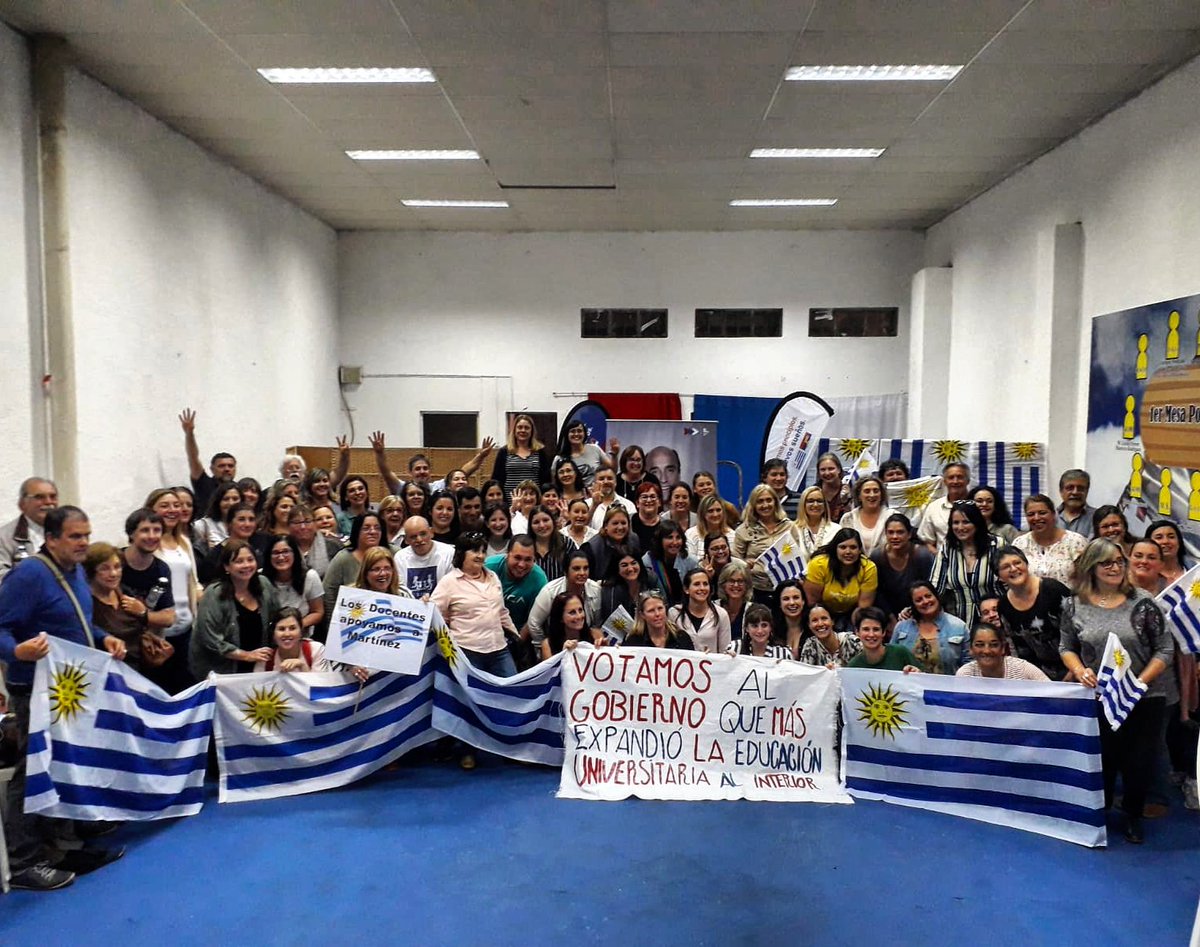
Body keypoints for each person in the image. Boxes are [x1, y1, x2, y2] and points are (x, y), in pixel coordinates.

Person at [0, 506, 127, 890]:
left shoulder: (73, 570)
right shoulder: (30, 574)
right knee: (32, 772)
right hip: (34, 690)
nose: (84, 542)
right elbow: (1, 627)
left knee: (63, 764)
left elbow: (70, 620)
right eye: (75, 536)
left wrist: (103, 637)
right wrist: (16, 651)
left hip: (68, 687)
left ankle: (62, 845)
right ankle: (23, 862)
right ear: (51, 538)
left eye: (87, 534)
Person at [1060, 538, 1173, 843]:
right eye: (1106, 562)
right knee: (1103, 758)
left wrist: (1140, 683)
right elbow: (1066, 646)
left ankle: (1133, 815)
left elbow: (1164, 648)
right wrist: (1080, 669)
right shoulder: (1073, 604)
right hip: (1100, 695)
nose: (1115, 568)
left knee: (1139, 760)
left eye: (1119, 561)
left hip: (1144, 696)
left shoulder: (1143, 601)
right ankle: (1102, 810)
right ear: (1091, 567)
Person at [431, 533, 521, 771]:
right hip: (467, 652)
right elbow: (436, 616)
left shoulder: (492, 577)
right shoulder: (449, 582)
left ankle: (509, 747)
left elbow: (501, 612)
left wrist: (516, 635)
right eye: (475, 551)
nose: (481, 556)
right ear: (462, 555)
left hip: (499, 648)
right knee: (468, 701)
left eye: (483, 550)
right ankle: (467, 751)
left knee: (510, 695)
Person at [190, 539, 277, 677]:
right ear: (226, 567)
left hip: (258, 666)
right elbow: (211, 640)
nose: (246, 565)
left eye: (250, 559)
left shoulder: (264, 585)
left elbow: (277, 619)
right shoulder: (214, 594)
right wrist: (246, 656)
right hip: (221, 669)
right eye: (239, 561)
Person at [145, 488, 202, 694]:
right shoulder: (148, 543)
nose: (172, 510)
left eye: (176, 506)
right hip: (159, 634)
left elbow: (193, 583)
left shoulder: (184, 543)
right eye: (165, 506)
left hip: (186, 631)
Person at [995, 545, 1072, 681]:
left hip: (1075, 670)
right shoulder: (1004, 606)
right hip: (1036, 677)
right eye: (1006, 567)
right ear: (999, 576)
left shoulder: (1053, 590)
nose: (1013, 569)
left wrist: (1073, 671)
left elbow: (1079, 632)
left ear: (1026, 564)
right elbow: (1015, 647)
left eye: (1017, 563)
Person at [86, 541, 163, 673]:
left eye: (117, 567)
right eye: (105, 568)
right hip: (109, 674)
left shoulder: (124, 593)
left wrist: (143, 612)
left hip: (139, 669)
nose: (114, 573)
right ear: (91, 572)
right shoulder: (88, 603)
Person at [929, 499, 1001, 627]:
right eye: (956, 523)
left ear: (977, 523)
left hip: (996, 621)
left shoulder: (997, 545)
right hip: (961, 624)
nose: (960, 527)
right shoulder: (948, 548)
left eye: (966, 522)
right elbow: (935, 588)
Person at [321, 513, 386, 639]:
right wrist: (333, 627)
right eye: (366, 528)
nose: (372, 532)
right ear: (357, 531)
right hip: (351, 631)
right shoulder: (343, 558)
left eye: (377, 528)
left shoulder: (395, 553)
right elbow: (329, 594)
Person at [733, 484, 800, 605]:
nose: (765, 505)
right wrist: (745, 563)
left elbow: (796, 555)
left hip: (784, 589)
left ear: (775, 502)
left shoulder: (789, 526)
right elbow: (735, 560)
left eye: (769, 500)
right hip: (754, 590)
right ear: (753, 505)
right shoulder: (743, 529)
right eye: (760, 501)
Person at [118, 510, 176, 646]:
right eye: (145, 530)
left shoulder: (162, 570)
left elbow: (168, 618)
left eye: (157, 530)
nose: (151, 536)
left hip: (144, 646)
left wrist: (142, 613)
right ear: (131, 533)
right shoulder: (114, 561)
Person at [803, 527, 878, 630]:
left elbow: (862, 608)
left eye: (853, 547)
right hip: (821, 611)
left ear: (860, 550)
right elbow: (812, 602)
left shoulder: (868, 568)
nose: (848, 552)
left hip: (852, 612)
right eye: (843, 547)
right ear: (835, 549)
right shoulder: (819, 564)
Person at [526, 550, 601, 652]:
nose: (582, 573)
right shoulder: (550, 591)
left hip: (585, 645)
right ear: (566, 571)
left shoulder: (596, 589)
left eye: (586, 568)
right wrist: (543, 646)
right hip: (556, 644)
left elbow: (596, 623)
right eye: (576, 569)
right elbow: (534, 623)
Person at [891, 580, 970, 674]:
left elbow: (969, 664)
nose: (925, 601)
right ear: (913, 605)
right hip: (909, 687)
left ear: (936, 596)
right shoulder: (902, 627)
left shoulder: (958, 626)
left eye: (928, 596)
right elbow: (892, 660)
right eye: (918, 600)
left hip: (948, 686)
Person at [870, 513, 934, 627]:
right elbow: (877, 592)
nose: (895, 537)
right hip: (887, 615)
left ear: (909, 534)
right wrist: (891, 619)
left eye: (900, 532)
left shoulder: (922, 556)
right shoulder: (877, 556)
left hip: (919, 611)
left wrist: (911, 612)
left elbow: (930, 589)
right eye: (890, 532)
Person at [1013, 494, 1088, 585]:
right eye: (1031, 514)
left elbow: (1087, 580)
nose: (1036, 518)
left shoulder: (1076, 541)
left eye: (1042, 513)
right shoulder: (1019, 544)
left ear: (1053, 514)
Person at [0, 478, 60, 588]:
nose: (48, 502)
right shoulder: (4, 538)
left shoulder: (67, 533)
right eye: (39, 497)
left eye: (53, 496)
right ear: (22, 504)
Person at [485, 535, 548, 640]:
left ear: (534, 560)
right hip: (484, 629)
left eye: (528, 559)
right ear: (507, 555)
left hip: (518, 634)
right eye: (517, 558)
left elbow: (533, 620)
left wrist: (517, 643)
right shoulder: (488, 567)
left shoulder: (539, 579)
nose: (521, 565)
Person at [262, 535, 324, 635]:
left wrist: (294, 628)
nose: (281, 557)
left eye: (286, 552)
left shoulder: (310, 576)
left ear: (295, 553)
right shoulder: (261, 579)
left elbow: (318, 612)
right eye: (275, 553)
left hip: (301, 637)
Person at [179, 407, 235, 512]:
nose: (227, 469)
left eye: (230, 466)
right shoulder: (204, 483)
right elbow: (193, 457)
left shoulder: (238, 489)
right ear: (212, 469)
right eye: (221, 466)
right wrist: (189, 434)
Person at [253, 607, 340, 674]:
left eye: (292, 628)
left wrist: (302, 665)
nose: (287, 634)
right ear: (273, 633)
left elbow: (322, 689)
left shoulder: (316, 650)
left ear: (301, 631)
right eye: (281, 629)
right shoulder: (265, 659)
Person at [491, 413, 552, 503]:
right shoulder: (504, 452)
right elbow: (497, 479)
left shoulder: (539, 452)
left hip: (533, 502)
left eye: (526, 428)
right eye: (520, 427)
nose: (523, 430)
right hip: (509, 502)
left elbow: (546, 480)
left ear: (532, 431)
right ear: (514, 430)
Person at [668, 568, 730, 653]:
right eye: (697, 584)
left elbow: (725, 651)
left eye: (705, 584)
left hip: (711, 665)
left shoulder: (721, 614)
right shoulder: (674, 613)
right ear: (686, 589)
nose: (702, 588)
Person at [956, 623, 1049, 680]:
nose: (987, 651)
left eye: (994, 645)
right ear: (971, 649)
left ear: (1003, 648)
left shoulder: (1022, 669)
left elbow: (1051, 692)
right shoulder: (965, 675)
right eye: (980, 645)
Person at [393, 516, 454, 600]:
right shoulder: (399, 557)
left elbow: (452, 588)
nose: (419, 539)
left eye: (423, 534)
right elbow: (401, 590)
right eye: (413, 537)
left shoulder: (448, 553)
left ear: (431, 533)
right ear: (406, 540)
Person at [199, 502, 259, 585]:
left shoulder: (262, 545)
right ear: (228, 524)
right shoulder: (214, 557)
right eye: (241, 519)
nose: (247, 524)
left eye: (251, 519)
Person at [916, 462, 971, 550]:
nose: (955, 481)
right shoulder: (934, 508)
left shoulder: (978, 505)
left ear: (968, 481)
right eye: (951, 477)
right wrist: (940, 559)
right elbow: (927, 542)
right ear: (944, 481)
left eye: (960, 477)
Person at [642, 522, 698, 606]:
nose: (675, 542)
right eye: (670, 537)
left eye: (678, 537)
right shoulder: (648, 561)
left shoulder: (690, 561)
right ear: (660, 540)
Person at [846, 606, 919, 671]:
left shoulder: (900, 653)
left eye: (876, 629)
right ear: (857, 632)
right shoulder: (853, 666)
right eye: (866, 629)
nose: (871, 634)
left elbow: (925, 679)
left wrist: (917, 673)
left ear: (883, 632)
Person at [584, 505, 641, 581]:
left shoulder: (634, 539)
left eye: (623, 523)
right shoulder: (591, 548)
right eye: (615, 523)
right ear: (606, 526)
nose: (620, 527)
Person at [622, 590, 695, 650]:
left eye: (660, 608)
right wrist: (616, 653)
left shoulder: (681, 637)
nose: (657, 614)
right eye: (651, 611)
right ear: (642, 615)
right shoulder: (633, 642)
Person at [798, 602, 863, 668]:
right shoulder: (810, 645)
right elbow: (805, 674)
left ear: (832, 621)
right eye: (815, 620)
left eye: (824, 618)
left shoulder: (851, 641)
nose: (820, 624)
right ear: (809, 625)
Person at [554, 419, 614, 488]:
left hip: (596, 495)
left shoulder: (595, 449)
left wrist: (614, 456)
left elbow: (612, 470)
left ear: (585, 434)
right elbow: (555, 484)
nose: (576, 434)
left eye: (579, 431)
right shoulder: (559, 459)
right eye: (572, 431)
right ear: (567, 435)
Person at [597, 547, 647, 628]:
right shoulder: (611, 591)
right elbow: (614, 626)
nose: (630, 568)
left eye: (633, 563)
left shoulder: (650, 579)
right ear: (617, 569)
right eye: (624, 565)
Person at [839, 475, 888, 556]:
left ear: (881, 495)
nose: (872, 495)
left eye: (876, 491)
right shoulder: (848, 519)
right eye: (867, 491)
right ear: (859, 496)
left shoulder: (892, 517)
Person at [542, 592, 597, 659]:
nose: (579, 616)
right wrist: (563, 654)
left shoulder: (596, 635)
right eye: (572, 612)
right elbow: (551, 669)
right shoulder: (547, 645)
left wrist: (604, 648)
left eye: (580, 610)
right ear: (560, 617)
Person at [193, 482, 242, 553]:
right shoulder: (202, 525)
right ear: (218, 502)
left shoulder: (247, 524)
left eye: (235, 499)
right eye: (226, 499)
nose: (231, 503)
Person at [794, 486, 837, 565]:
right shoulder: (793, 529)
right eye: (810, 501)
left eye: (819, 501)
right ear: (803, 504)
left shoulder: (836, 529)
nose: (815, 505)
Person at [686, 494, 735, 561]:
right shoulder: (691, 534)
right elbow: (690, 562)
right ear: (703, 513)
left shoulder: (732, 534)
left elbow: (733, 562)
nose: (715, 514)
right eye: (710, 511)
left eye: (718, 510)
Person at [527, 504, 568, 581]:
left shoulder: (566, 543)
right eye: (536, 522)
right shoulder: (525, 546)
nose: (542, 525)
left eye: (546, 520)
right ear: (530, 526)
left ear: (553, 521)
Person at [717, 561, 751, 648]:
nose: (736, 585)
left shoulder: (753, 610)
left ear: (747, 585)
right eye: (731, 581)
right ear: (723, 584)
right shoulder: (713, 608)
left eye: (740, 581)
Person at [774, 579, 809, 659]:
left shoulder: (812, 629)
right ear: (779, 604)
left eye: (796, 597)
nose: (792, 603)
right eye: (786, 599)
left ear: (803, 601)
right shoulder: (772, 631)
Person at [814, 452, 852, 524]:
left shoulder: (850, 491)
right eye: (823, 469)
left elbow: (854, 517)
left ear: (839, 470)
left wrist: (847, 502)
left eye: (831, 469)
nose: (827, 473)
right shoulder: (813, 492)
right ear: (818, 472)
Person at [1056, 468, 1095, 537]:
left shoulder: (1097, 517)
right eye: (1070, 488)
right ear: (1061, 491)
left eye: (1080, 488)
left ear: (1087, 491)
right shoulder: (1050, 517)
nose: (1075, 492)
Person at [631, 482, 664, 552]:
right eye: (644, 497)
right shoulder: (628, 521)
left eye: (653, 496)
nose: (649, 500)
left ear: (659, 502)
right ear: (637, 503)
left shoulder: (666, 524)